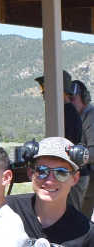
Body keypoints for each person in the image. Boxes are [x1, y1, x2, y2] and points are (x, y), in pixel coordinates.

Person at [35, 71, 86, 209]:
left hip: (69, 173)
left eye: (45, 90)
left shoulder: (67, 114)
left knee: (69, 213)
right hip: (65, 173)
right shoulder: (65, 112)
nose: (43, 94)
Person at [70, 80, 94, 217]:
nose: (71, 103)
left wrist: (73, 156)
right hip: (86, 173)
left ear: (84, 98)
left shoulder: (91, 116)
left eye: (73, 99)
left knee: (82, 217)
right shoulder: (79, 116)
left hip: (89, 175)